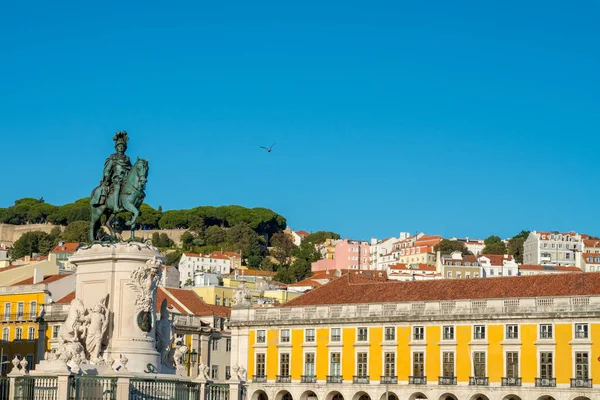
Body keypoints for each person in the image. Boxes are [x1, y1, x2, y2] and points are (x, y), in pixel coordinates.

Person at [92, 131, 132, 211]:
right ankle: (116, 207)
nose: (121, 148)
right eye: (119, 146)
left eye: (122, 146)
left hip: (126, 181)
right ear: (116, 148)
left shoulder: (127, 159)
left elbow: (131, 169)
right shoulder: (113, 158)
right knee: (117, 187)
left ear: (125, 148)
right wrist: (107, 175)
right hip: (116, 180)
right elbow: (107, 169)